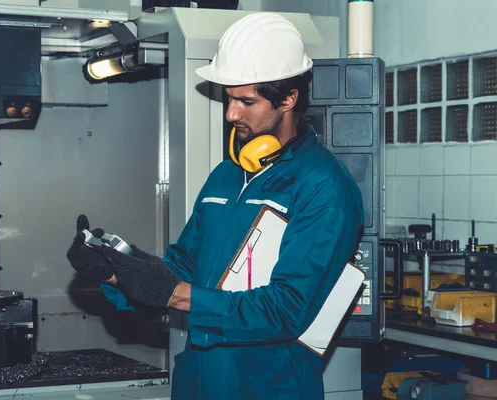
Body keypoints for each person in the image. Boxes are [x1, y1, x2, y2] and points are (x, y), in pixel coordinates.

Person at [66, 12, 364, 400]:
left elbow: (287, 310)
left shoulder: (324, 187)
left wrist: (176, 295)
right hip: (200, 381)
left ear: (289, 98)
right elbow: (185, 266)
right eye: (229, 98)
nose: (230, 114)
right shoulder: (226, 175)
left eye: (246, 101)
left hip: (267, 386)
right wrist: (117, 272)